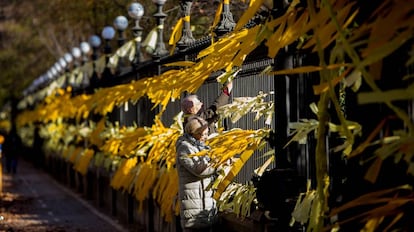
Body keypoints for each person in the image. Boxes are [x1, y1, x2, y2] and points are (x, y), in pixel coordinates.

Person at [175, 116, 218, 232]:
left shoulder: (201, 147)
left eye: (206, 133)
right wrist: (218, 163)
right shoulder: (185, 148)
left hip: (204, 207)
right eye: (202, 134)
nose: (205, 137)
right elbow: (200, 170)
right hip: (193, 209)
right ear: (193, 133)